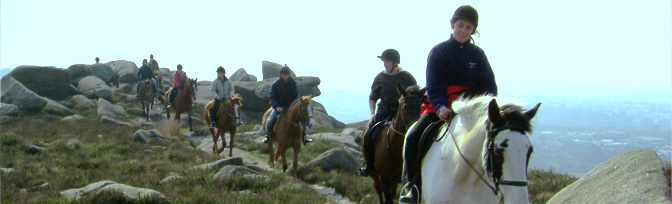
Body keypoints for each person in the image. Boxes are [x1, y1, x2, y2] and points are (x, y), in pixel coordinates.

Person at [399, 5, 497, 204]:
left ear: (473, 31)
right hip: (441, 105)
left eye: (469, 27)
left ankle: (498, 187)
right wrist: (440, 106)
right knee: (413, 136)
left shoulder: (478, 55)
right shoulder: (438, 51)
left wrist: (485, 107)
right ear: (453, 25)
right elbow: (433, 85)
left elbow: (489, 86)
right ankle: (413, 186)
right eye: (460, 25)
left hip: (471, 109)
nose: (463, 30)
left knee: (501, 140)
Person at [358, 49, 417, 176]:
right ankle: (368, 165)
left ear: (395, 62)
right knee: (368, 133)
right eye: (384, 61)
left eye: (387, 61)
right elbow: (372, 98)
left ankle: (417, 166)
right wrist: (372, 114)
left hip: (402, 113)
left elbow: (414, 95)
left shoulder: (406, 77)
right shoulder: (380, 78)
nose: (384, 64)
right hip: (384, 112)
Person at [263, 65, 313, 145]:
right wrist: (276, 107)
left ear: (289, 74)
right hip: (278, 107)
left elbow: (296, 95)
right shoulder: (276, 84)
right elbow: (272, 97)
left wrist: (293, 105)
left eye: (286, 74)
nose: (285, 76)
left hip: (290, 106)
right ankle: (268, 136)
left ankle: (304, 137)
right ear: (281, 74)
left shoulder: (293, 83)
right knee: (270, 119)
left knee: (303, 120)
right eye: (283, 74)